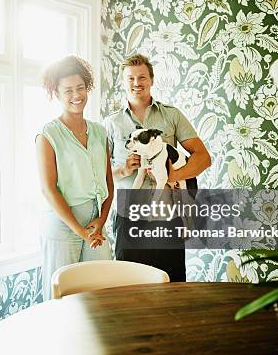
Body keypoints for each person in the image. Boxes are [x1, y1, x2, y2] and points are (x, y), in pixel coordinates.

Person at [103, 54, 211, 281]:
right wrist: (123, 170)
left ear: (151, 80)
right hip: (128, 214)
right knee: (127, 285)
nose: (136, 83)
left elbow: (203, 158)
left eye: (142, 77)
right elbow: (98, 174)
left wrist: (175, 175)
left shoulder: (171, 115)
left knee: (171, 284)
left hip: (167, 215)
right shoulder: (111, 124)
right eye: (130, 78)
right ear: (123, 83)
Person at [36, 55, 114, 300]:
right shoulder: (48, 134)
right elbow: (49, 190)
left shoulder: (100, 132)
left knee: (100, 294)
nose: (76, 95)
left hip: (95, 223)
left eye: (80, 88)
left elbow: (108, 182)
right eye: (68, 90)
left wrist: (101, 221)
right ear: (57, 94)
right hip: (63, 225)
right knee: (60, 297)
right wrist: (81, 232)